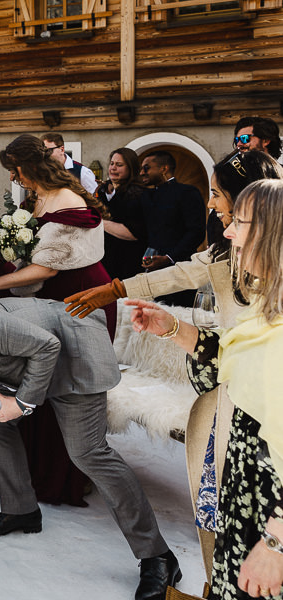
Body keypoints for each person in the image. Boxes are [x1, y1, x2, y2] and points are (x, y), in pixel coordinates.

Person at [65, 149, 283, 583]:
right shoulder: (229, 257)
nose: (212, 207)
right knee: (221, 517)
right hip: (230, 410)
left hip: (260, 432)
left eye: (219, 197)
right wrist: (144, 311)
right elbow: (180, 281)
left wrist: (276, 543)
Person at [0, 301, 180, 600]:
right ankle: (21, 510)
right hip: (33, 364)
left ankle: (158, 556)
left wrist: (22, 404)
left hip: (76, 357)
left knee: (88, 453)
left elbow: (48, 346)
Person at [126, 178, 283, 600]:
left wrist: (275, 545)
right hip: (244, 487)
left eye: (242, 222)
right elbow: (227, 368)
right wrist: (171, 327)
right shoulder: (264, 307)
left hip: (271, 507)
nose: (227, 231)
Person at [0, 133, 113, 507]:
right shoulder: (43, 195)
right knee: (43, 381)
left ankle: (63, 478)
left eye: (14, 172)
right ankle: (40, 470)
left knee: (66, 388)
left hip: (79, 297)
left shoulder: (67, 201)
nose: (13, 180)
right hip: (55, 296)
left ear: (27, 167)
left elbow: (46, 268)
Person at [138, 150, 205, 306]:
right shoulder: (146, 196)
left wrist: (168, 258)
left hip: (181, 270)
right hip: (151, 271)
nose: (142, 173)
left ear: (163, 169)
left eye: (146, 168)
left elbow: (196, 232)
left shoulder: (187, 193)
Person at [96, 148, 148, 280]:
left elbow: (134, 233)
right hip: (102, 257)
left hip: (127, 258)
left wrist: (97, 221)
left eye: (119, 165)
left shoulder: (137, 194)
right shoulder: (102, 190)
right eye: (112, 163)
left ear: (131, 168)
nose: (113, 168)